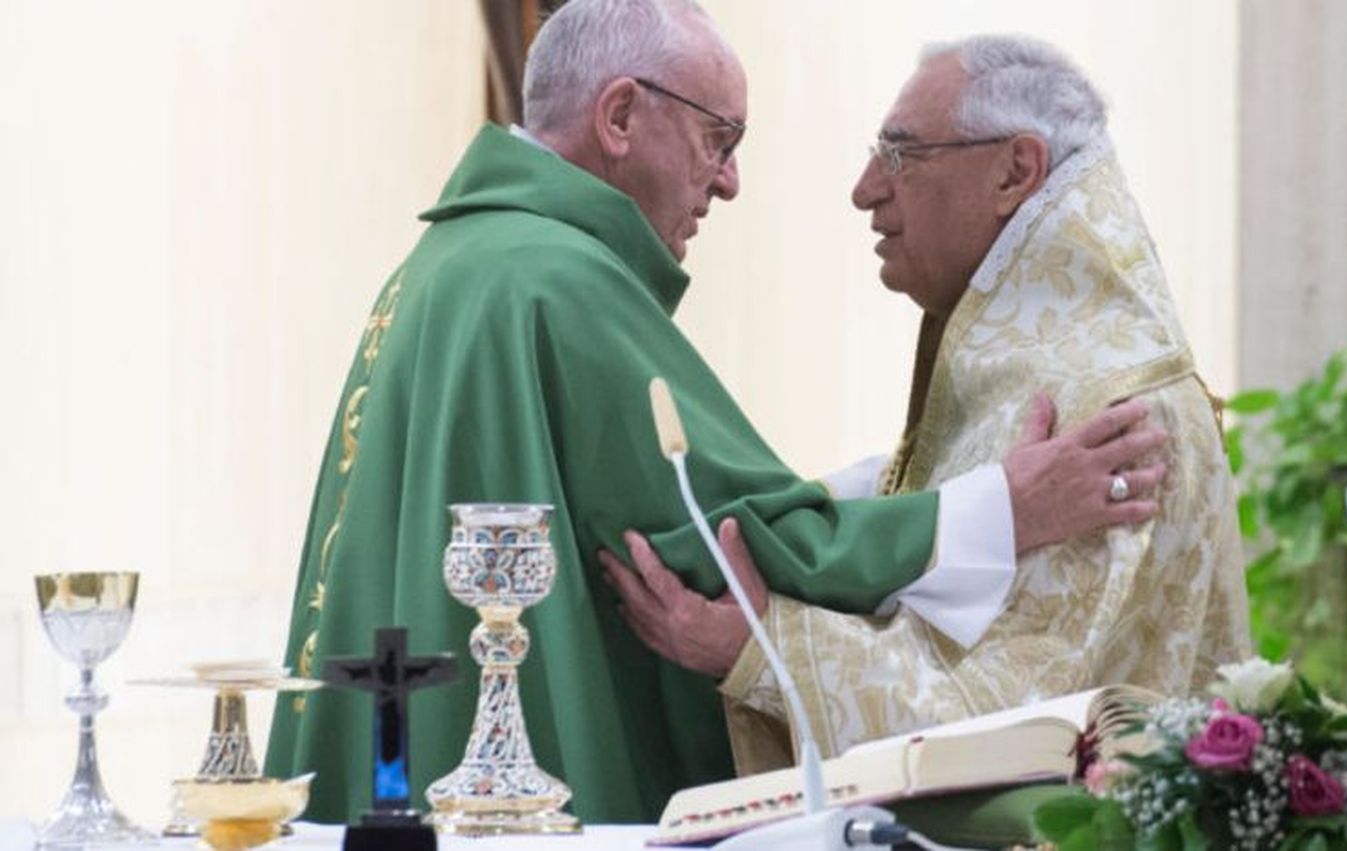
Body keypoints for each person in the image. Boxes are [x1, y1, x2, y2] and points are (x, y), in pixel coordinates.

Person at [266, 0, 1169, 825]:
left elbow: (677, 488)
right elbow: (728, 536)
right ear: (621, 116)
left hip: (393, 770)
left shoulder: (454, 261)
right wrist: (1004, 507)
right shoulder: (560, 280)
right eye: (718, 137)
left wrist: (892, 475)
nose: (729, 181)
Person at [606, 35, 1253, 770]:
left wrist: (759, 648)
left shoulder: (1111, 411)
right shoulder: (1040, 374)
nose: (865, 187)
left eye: (902, 155)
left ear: (1015, 171)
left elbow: (1025, 724)